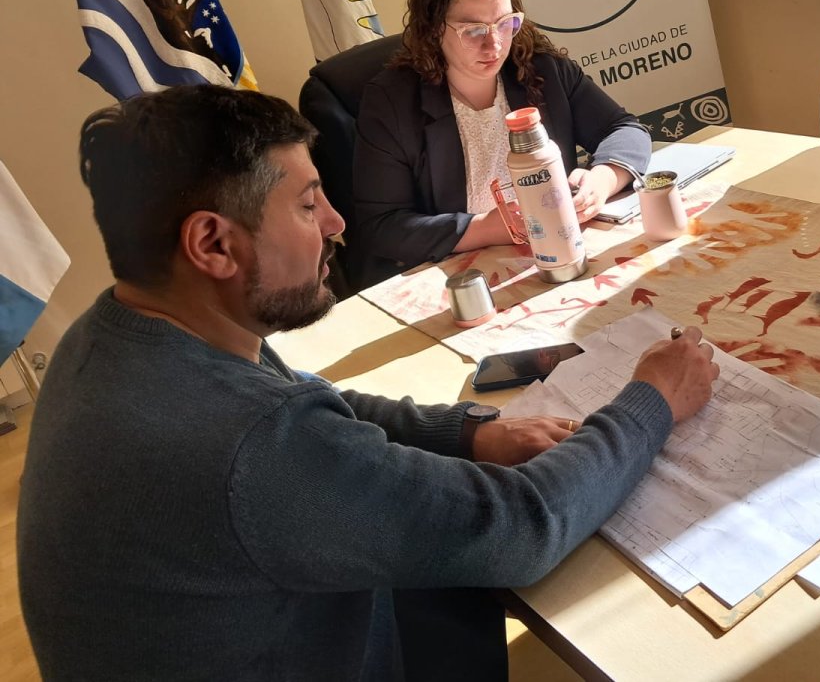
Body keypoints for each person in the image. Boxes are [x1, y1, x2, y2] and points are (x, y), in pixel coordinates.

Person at [16, 84, 717, 681]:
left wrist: (470, 433)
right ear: (213, 244)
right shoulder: (244, 445)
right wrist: (652, 400)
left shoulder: (114, 332)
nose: (337, 223)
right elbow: (523, 527)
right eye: (307, 205)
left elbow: (310, 398)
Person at [353, 0, 651, 286]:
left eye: (505, 23)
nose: (494, 44)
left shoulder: (541, 68)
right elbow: (381, 226)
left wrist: (602, 180)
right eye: (473, 30)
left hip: (562, 258)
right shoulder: (391, 102)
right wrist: (483, 228)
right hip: (465, 280)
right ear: (433, 28)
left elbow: (625, 129)